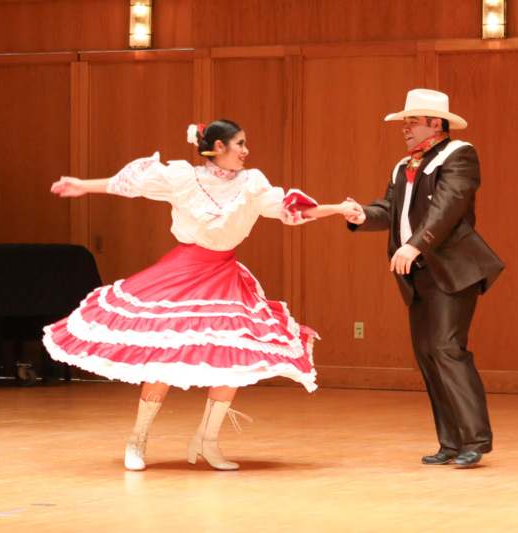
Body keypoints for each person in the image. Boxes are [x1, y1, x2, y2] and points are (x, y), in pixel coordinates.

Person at [45, 119, 359, 471]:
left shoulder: (252, 184)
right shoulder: (181, 178)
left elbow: (290, 209)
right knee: (164, 355)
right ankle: (138, 439)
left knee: (231, 359)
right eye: (240, 144)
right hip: (183, 272)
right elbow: (130, 185)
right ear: (219, 148)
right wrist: (82, 186)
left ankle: (207, 441)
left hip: (224, 275)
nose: (246, 151)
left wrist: (336, 209)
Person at [345, 89, 504, 467]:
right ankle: (450, 442)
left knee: (447, 349)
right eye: (405, 121)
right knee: (429, 355)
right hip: (419, 275)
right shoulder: (404, 166)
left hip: (453, 271)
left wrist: (415, 245)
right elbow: (390, 209)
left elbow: (448, 208)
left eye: (412, 121)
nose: (405, 127)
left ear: (436, 123)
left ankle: (474, 441)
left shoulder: (459, 155)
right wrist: (361, 215)